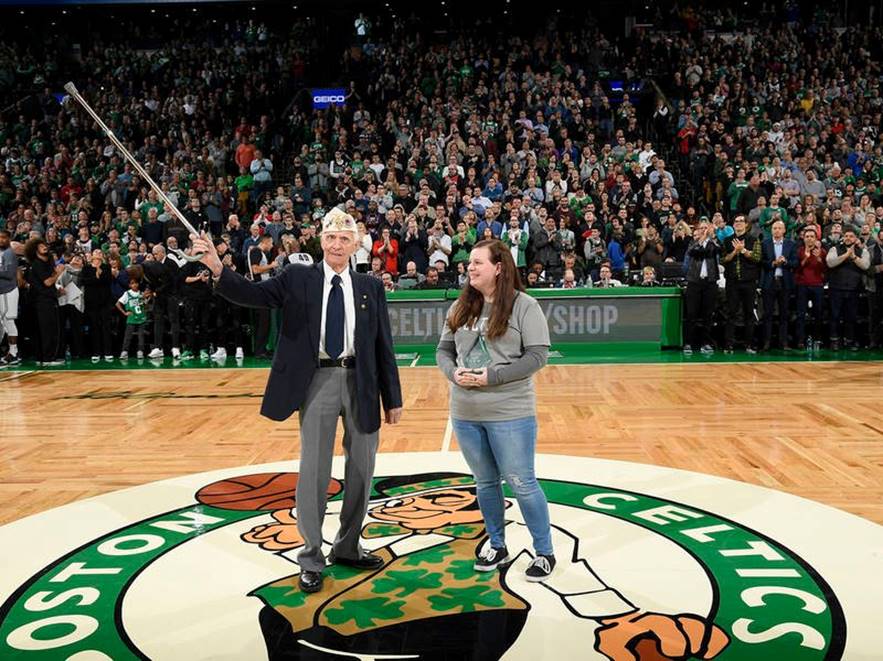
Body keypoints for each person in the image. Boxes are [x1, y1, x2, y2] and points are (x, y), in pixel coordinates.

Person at [190, 207, 403, 594]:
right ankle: (311, 556)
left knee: (362, 469)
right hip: (317, 380)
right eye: (331, 238)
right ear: (320, 241)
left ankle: (349, 546)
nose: (337, 245)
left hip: (363, 382)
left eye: (345, 238)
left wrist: (394, 397)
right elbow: (252, 294)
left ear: (356, 244)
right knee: (315, 472)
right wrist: (218, 268)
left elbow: (383, 345)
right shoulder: (297, 277)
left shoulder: (370, 286)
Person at [435, 239, 555, 582]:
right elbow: (443, 351)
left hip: (510, 412)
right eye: (469, 263)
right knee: (485, 482)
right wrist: (451, 372)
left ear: (498, 267)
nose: (469, 268)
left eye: (477, 263)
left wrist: (493, 376)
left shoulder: (524, 306)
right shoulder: (461, 306)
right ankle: (497, 544)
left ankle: (544, 551)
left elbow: (537, 356)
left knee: (522, 482)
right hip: (465, 411)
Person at [24, 238, 65, 366]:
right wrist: (58, 273)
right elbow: (47, 282)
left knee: (43, 329)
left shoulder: (43, 263)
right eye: (41, 245)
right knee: (48, 329)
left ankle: (41, 358)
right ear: (35, 249)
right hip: (43, 301)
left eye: (45, 244)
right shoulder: (37, 264)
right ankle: (48, 358)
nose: (45, 246)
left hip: (43, 299)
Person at [683, 219, 721, 355]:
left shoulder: (713, 244)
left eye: (707, 228)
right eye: (702, 228)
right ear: (697, 230)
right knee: (691, 314)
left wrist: (712, 237)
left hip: (710, 282)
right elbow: (693, 252)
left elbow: (717, 249)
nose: (704, 230)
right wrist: (702, 239)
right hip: (694, 282)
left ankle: (706, 342)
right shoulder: (693, 243)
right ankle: (688, 343)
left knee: (708, 315)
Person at [760, 220, 798, 351]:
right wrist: (774, 263)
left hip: (785, 282)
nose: (776, 230)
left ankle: (783, 343)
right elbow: (762, 262)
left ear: (784, 230)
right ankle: (766, 342)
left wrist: (785, 262)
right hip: (769, 282)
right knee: (768, 313)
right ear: (771, 230)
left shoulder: (791, 244)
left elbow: (795, 263)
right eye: (774, 228)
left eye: (779, 228)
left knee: (784, 314)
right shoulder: (764, 243)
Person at [0, 230, 21, 366]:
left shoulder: (9, 253)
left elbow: (8, 273)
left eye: (3, 238)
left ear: (9, 239)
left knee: (8, 320)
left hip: (9, 290)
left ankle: (14, 353)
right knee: (1, 322)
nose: (1, 240)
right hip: (2, 291)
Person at [116, 278, 149, 359]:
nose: (134, 285)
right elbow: (117, 304)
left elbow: (145, 306)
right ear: (129, 285)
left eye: (136, 283)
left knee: (141, 336)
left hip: (141, 318)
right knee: (128, 336)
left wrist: (145, 300)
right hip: (131, 318)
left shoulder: (141, 293)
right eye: (132, 283)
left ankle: (140, 351)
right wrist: (124, 313)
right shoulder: (127, 294)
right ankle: (124, 351)